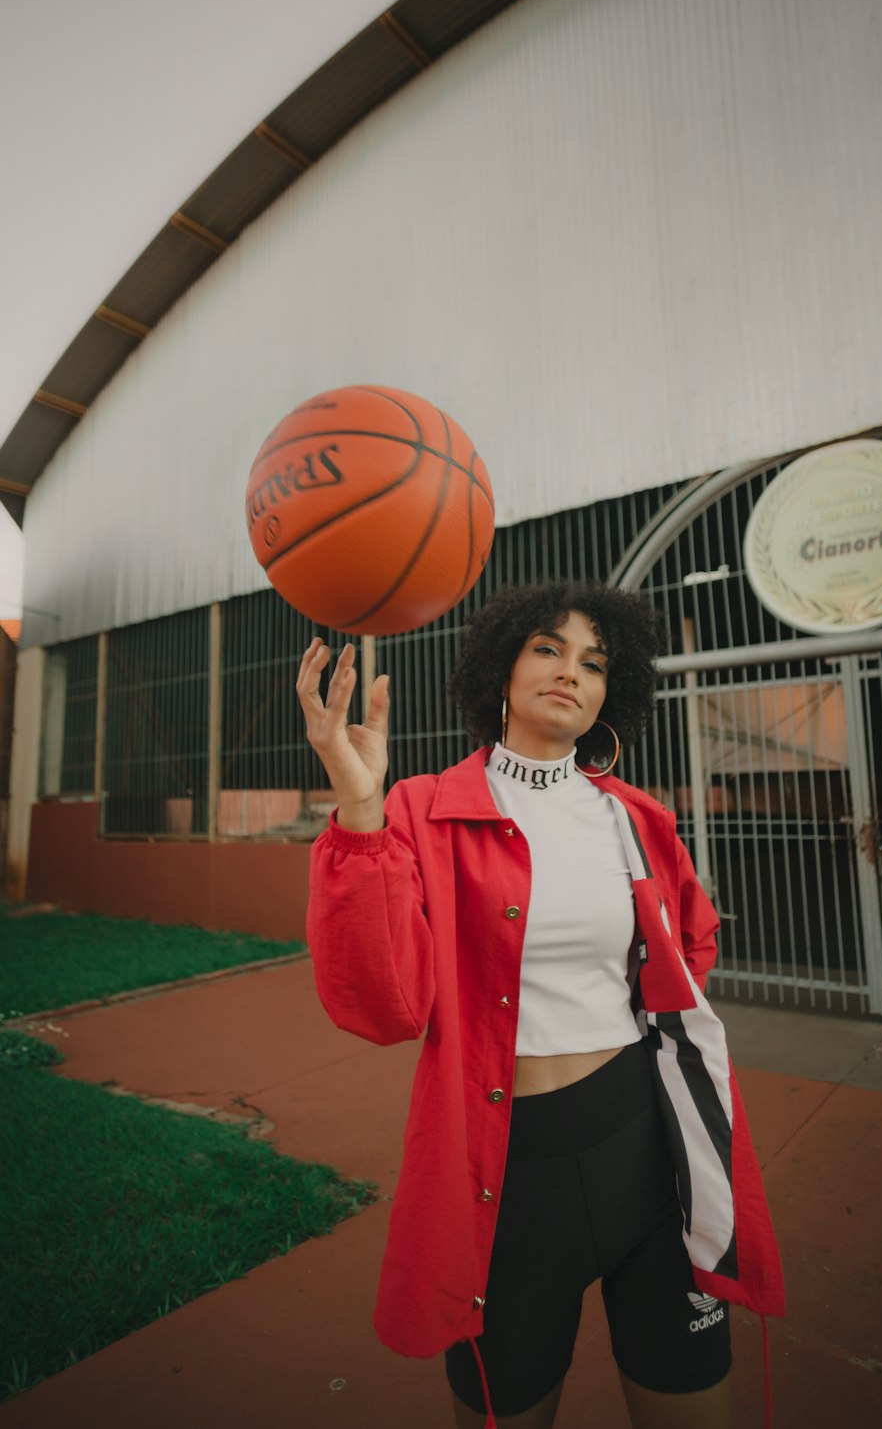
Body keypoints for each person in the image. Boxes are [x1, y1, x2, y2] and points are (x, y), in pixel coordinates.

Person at [297, 581, 784, 1429]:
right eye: (548, 650)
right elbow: (385, 1007)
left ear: (611, 692)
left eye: (594, 663)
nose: (571, 673)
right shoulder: (418, 811)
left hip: (647, 1152)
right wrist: (361, 805)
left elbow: (692, 944)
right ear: (503, 670)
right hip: (506, 1182)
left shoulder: (637, 819)